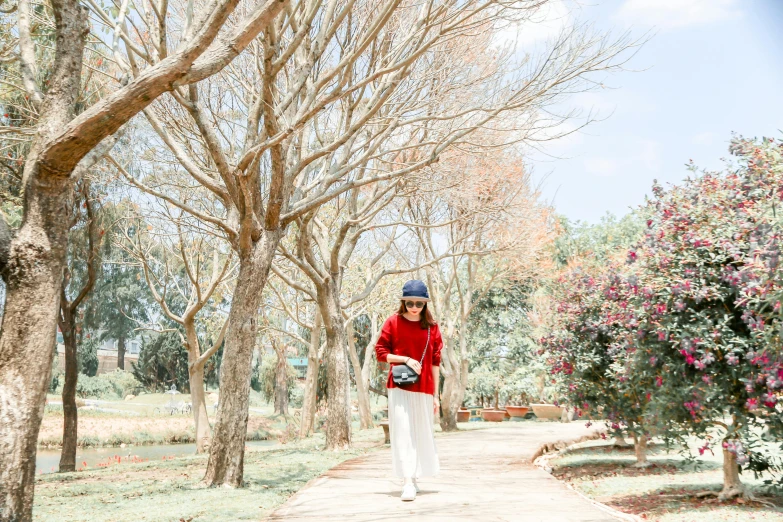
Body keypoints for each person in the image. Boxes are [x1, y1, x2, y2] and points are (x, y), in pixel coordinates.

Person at [375, 279, 443, 502]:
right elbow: (380, 352)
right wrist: (405, 358)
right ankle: (407, 481)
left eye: (419, 304)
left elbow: (435, 362)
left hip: (424, 388)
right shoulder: (393, 322)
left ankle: (414, 477)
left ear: (425, 305)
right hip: (400, 385)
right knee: (403, 432)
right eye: (410, 303)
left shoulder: (432, 328)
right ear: (403, 302)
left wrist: (436, 396)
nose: (414, 307)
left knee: (422, 432)